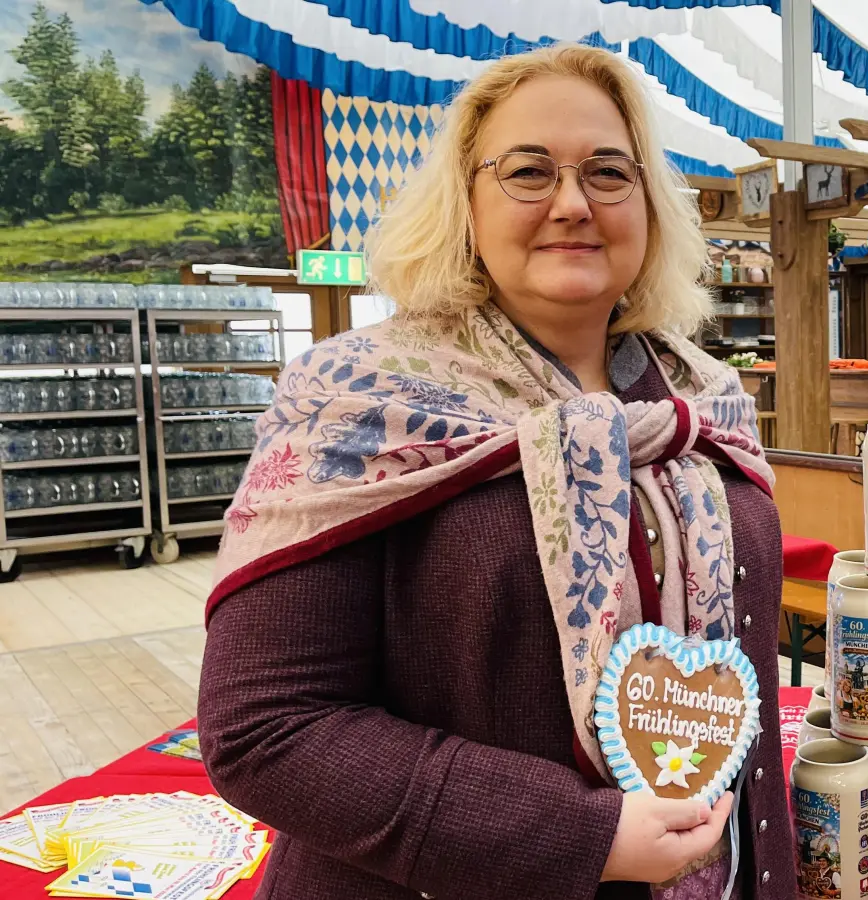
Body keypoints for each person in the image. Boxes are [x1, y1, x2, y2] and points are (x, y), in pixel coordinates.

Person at [196, 45, 794, 900]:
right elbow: (267, 730)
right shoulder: (359, 402)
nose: (573, 202)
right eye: (527, 171)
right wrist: (581, 835)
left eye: (609, 172)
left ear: (650, 205)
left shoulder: (706, 401)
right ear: (465, 204)